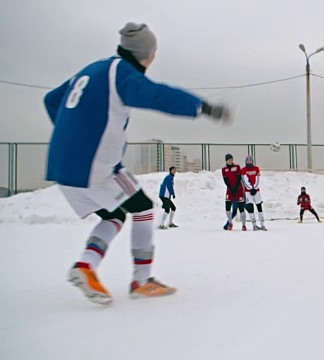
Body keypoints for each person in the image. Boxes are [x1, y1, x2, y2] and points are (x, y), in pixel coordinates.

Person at [44, 22, 230, 305]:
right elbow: (156, 94)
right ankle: (141, 281)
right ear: (146, 54)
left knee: (114, 215)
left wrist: (71, 133)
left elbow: (51, 99)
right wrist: (202, 106)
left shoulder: (92, 70)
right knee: (142, 208)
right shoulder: (121, 73)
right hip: (95, 165)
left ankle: (86, 265)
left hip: (62, 164)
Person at [241, 155, 267, 231]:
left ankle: (262, 224)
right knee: (251, 207)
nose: (249, 161)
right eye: (247, 160)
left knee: (259, 206)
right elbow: (245, 180)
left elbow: (258, 179)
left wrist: (255, 188)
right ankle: (254, 225)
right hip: (248, 192)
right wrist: (250, 188)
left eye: (250, 160)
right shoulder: (243, 169)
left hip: (256, 191)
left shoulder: (256, 168)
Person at [222, 154, 247, 231]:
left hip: (238, 189)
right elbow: (225, 180)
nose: (231, 161)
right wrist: (231, 188)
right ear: (226, 160)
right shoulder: (224, 169)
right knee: (227, 206)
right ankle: (230, 223)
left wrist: (236, 188)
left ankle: (243, 225)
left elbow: (239, 177)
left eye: (231, 159)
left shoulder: (237, 166)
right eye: (229, 159)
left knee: (241, 207)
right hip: (230, 190)